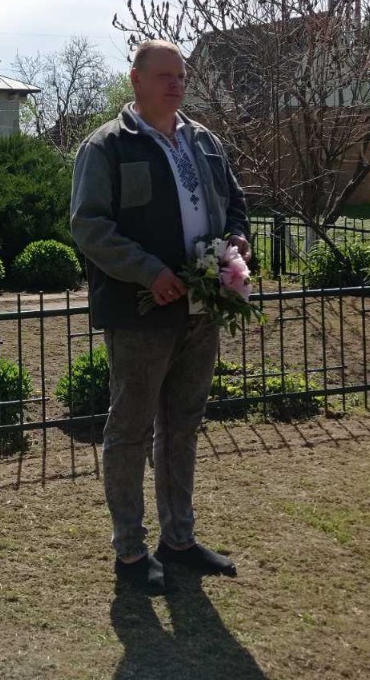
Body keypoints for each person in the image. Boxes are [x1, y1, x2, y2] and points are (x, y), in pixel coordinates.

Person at [70, 39, 251, 594]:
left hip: (202, 308)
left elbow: (236, 202)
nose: (176, 84)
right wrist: (149, 272)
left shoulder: (205, 142)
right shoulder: (106, 146)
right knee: (130, 430)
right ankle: (130, 552)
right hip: (140, 310)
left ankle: (179, 541)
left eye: (181, 76)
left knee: (182, 425)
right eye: (164, 75)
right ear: (136, 79)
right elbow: (89, 226)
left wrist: (237, 241)